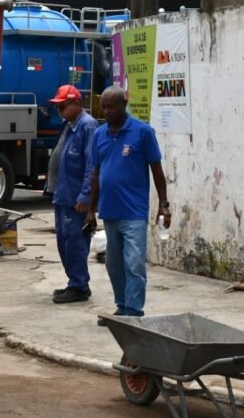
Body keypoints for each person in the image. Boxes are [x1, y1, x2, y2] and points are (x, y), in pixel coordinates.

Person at [88, 86, 171, 325]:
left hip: (134, 212)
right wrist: (91, 209)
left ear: (123, 105)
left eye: (110, 107)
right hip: (110, 211)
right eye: (103, 107)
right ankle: (122, 306)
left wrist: (164, 204)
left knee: (134, 263)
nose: (106, 112)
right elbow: (96, 173)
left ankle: (133, 312)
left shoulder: (143, 132)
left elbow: (157, 170)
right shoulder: (99, 135)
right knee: (114, 265)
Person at [48, 85, 98, 304]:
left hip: (75, 197)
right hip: (63, 194)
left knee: (75, 242)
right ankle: (75, 283)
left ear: (77, 104)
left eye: (63, 106)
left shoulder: (87, 126)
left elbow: (92, 164)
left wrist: (85, 195)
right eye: (57, 107)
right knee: (64, 241)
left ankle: (79, 286)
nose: (59, 111)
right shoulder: (69, 125)